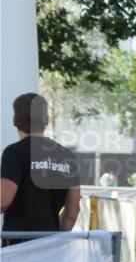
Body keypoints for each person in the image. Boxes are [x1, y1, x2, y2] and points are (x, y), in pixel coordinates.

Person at [1, 93, 81, 241]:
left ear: (14, 120)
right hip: (49, 249)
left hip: (18, 249)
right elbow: (72, 211)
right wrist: (53, 240)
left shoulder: (14, 153)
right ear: (45, 120)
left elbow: (3, 201)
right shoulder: (67, 156)